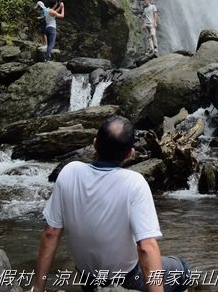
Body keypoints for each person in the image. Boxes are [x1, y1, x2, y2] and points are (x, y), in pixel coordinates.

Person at [32, 115, 188, 292]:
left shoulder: (69, 172)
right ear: (130, 153)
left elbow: (51, 233)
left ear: (95, 143)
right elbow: (146, 247)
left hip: (88, 278)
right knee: (181, 269)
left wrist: (38, 289)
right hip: (127, 278)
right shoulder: (134, 183)